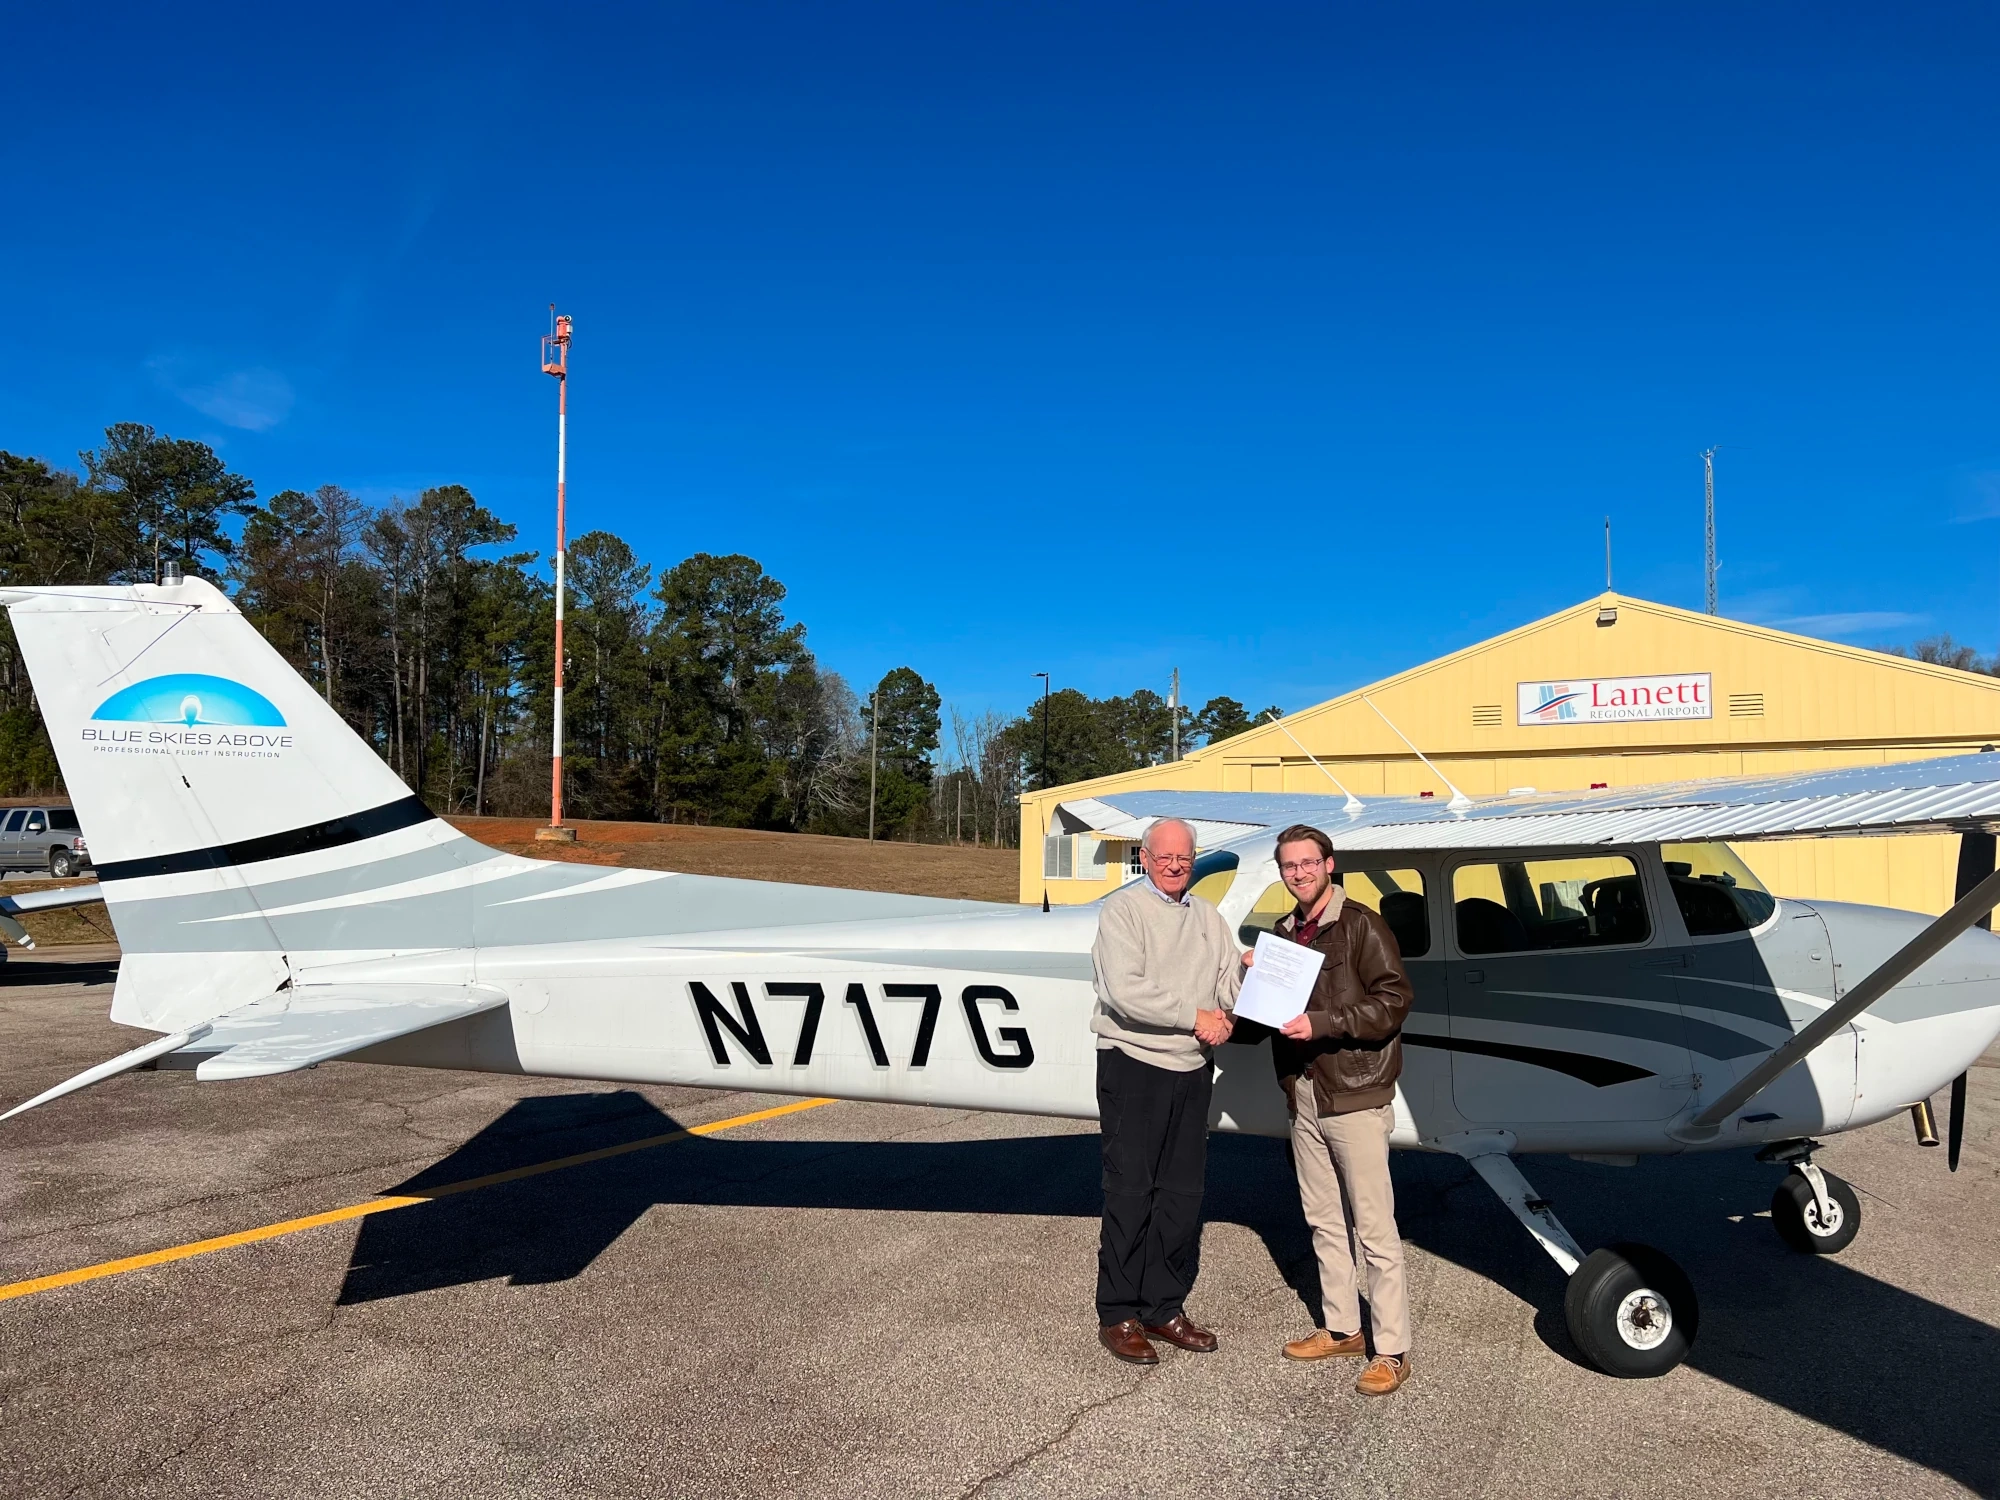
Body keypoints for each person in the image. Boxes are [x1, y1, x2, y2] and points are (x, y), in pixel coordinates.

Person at [1256, 822, 1416, 1396]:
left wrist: (1323, 1023)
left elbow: (1393, 1002)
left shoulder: (1361, 925)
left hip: (1353, 1093)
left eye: (1307, 863)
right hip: (1303, 1090)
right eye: (1288, 866)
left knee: (1374, 1226)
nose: (1297, 873)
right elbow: (1277, 1012)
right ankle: (1343, 1327)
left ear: (1329, 864)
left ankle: (1392, 1349)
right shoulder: (1285, 932)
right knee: (1324, 1219)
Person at [1087, 816, 1241, 1365]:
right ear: (1146, 859)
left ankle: (1162, 1305)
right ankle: (1118, 1312)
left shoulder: (1208, 917)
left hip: (1192, 1067)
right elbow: (1125, 990)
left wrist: (1246, 984)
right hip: (1134, 1064)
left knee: (1181, 1196)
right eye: (1164, 856)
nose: (1175, 865)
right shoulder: (1123, 911)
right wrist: (1196, 1016)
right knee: (1131, 1192)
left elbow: (1226, 982)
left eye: (1185, 857)